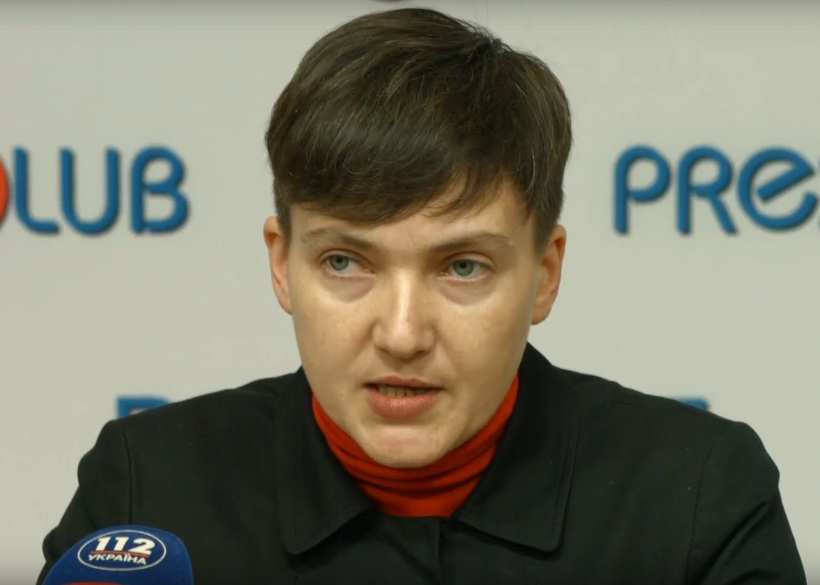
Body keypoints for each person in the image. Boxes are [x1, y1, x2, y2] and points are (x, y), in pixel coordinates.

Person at [37, 7, 805, 585]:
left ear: (545, 273)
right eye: (345, 261)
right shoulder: (147, 490)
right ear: (282, 264)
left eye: (462, 267)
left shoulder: (699, 500)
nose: (402, 334)